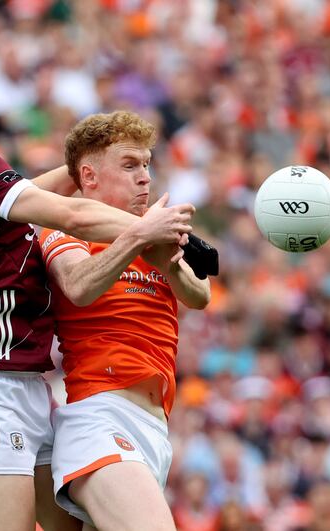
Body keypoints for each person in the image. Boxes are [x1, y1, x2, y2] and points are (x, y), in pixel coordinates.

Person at [0, 58, 195, 531]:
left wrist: (85, 164)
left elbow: (38, 194)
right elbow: (70, 216)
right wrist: (148, 228)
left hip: (26, 383)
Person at [38, 111, 211, 530]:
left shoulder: (155, 229)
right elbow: (78, 285)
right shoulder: (65, 230)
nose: (145, 178)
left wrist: (167, 262)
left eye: (147, 165)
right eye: (130, 165)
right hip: (100, 415)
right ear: (89, 176)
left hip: (155, 427)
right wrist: (138, 238)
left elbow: (200, 295)